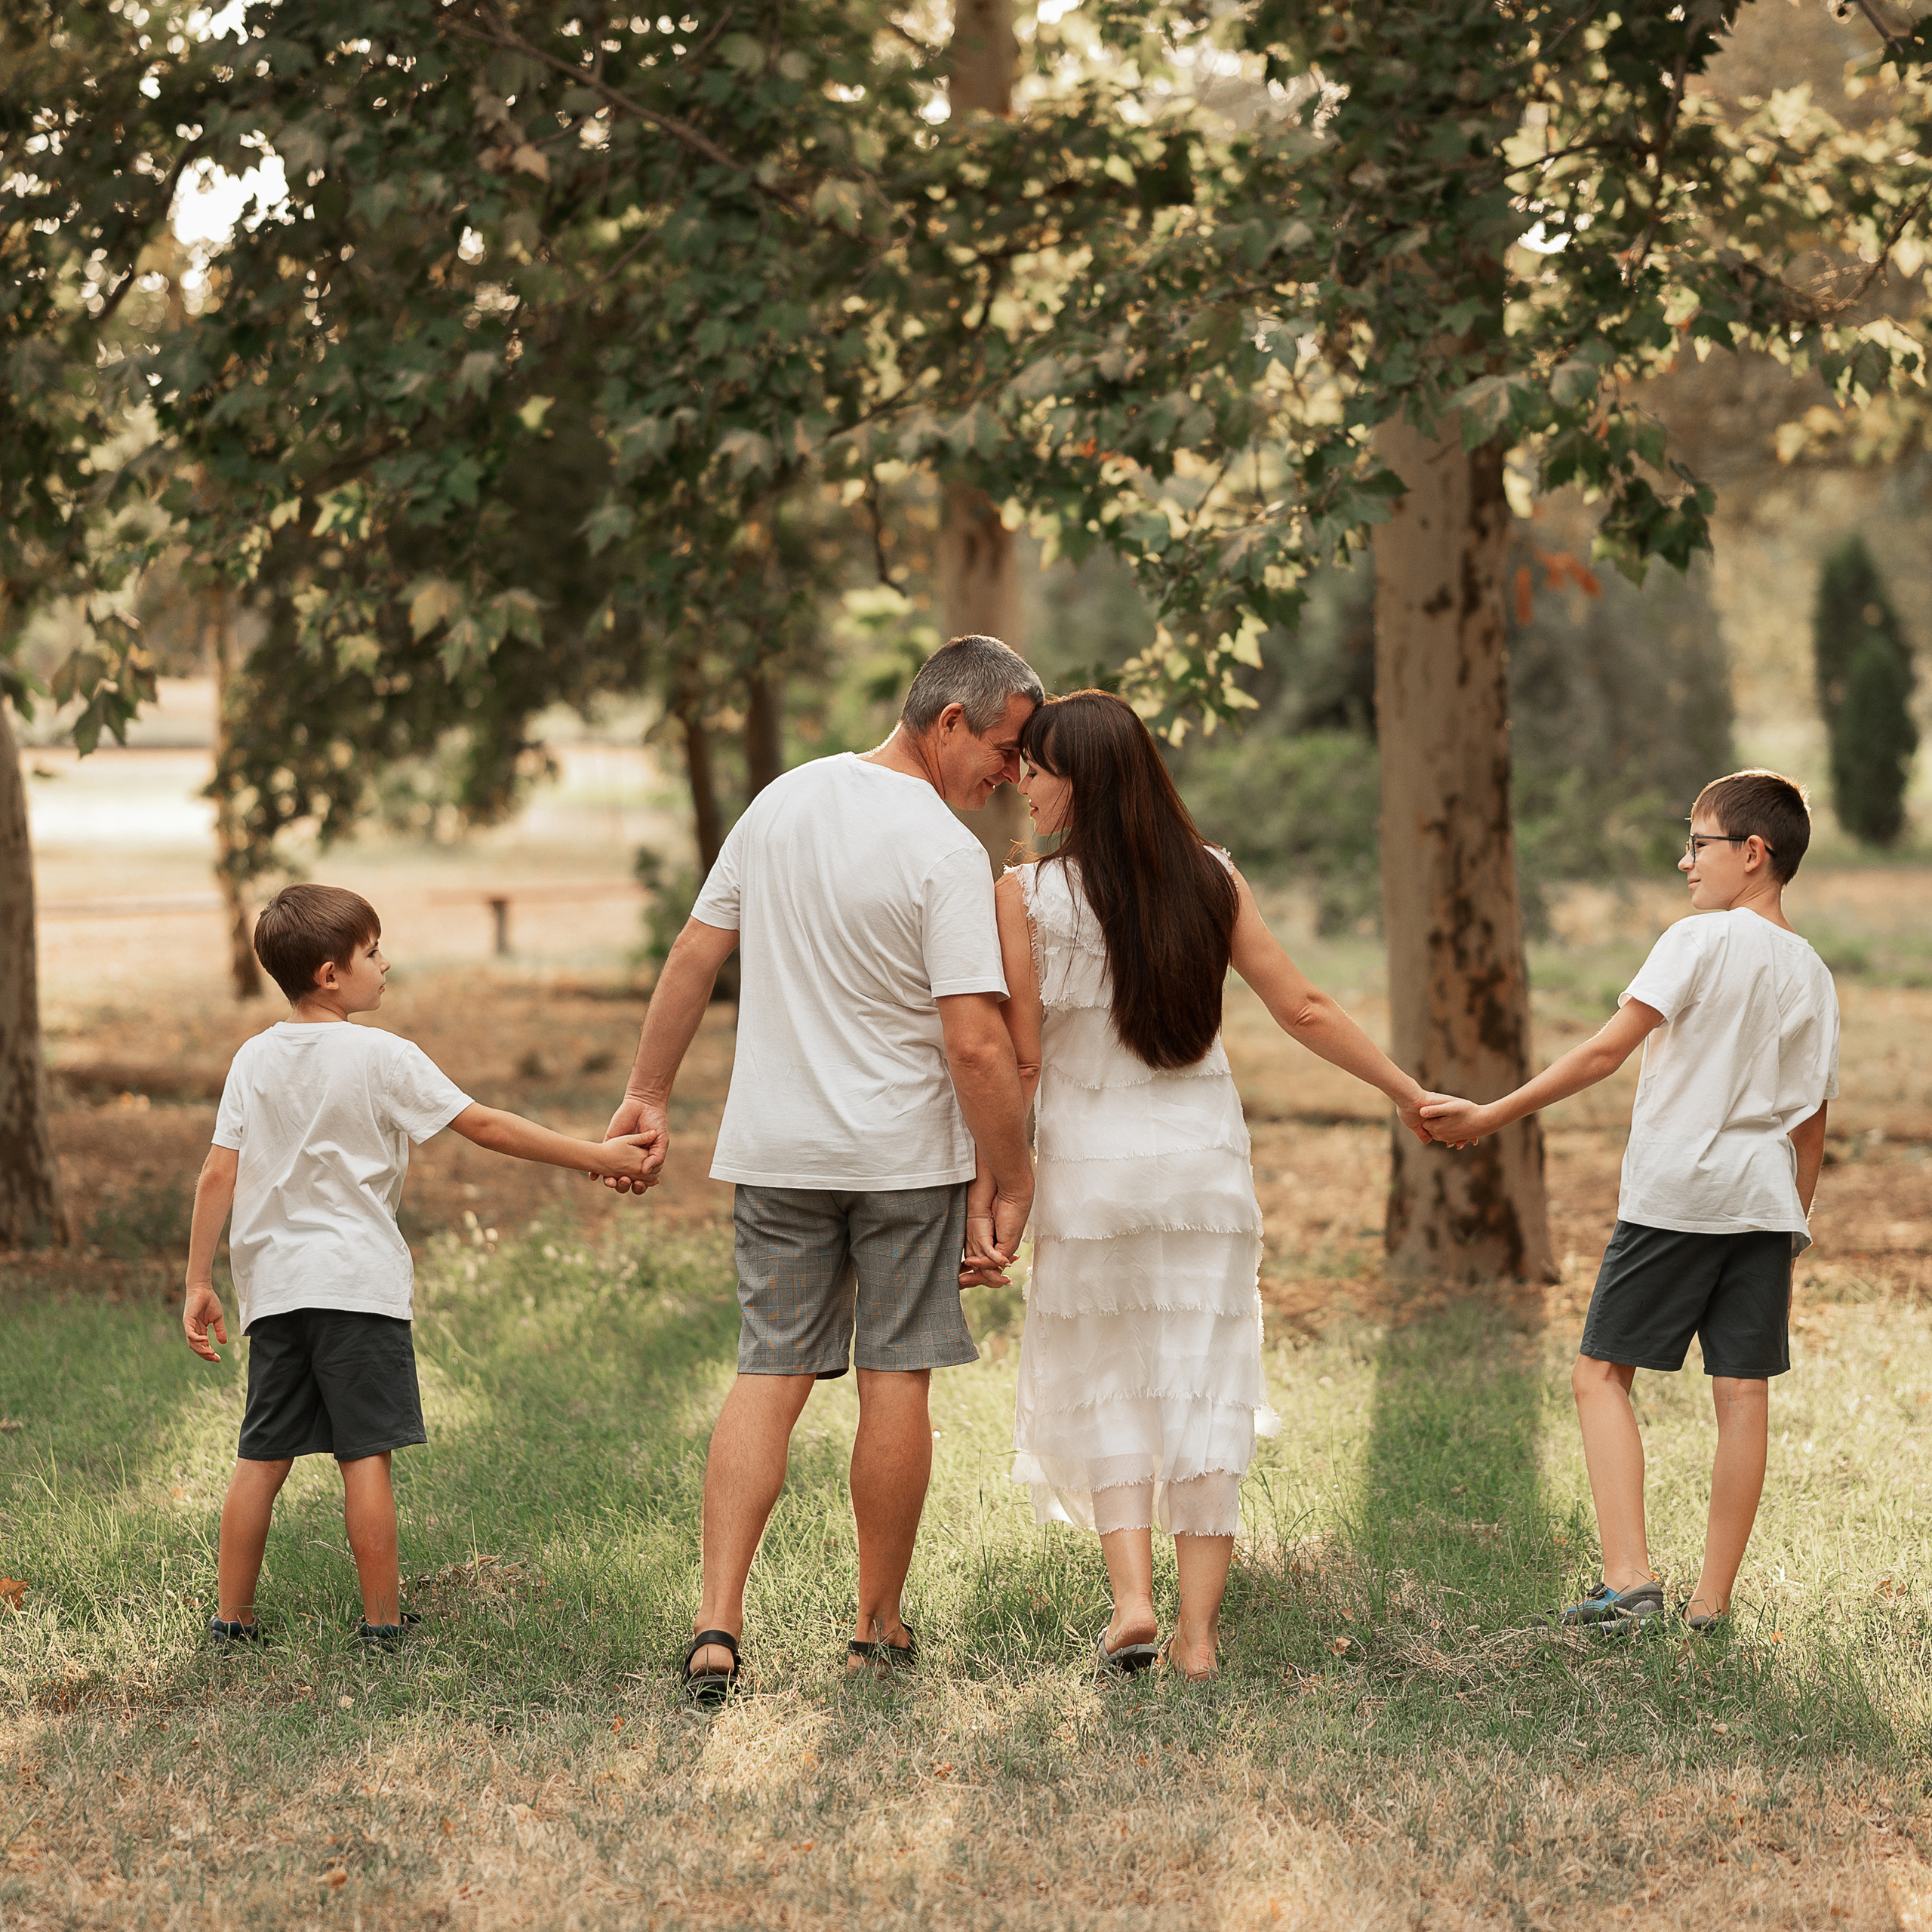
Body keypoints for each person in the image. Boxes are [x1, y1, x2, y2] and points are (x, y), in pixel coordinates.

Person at [961, 691, 1439, 1680]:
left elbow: (1019, 1062)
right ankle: (1198, 1639)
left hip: (1093, 1180)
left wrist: (997, 1187)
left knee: (1110, 1385)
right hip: (1202, 1176)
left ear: (1082, 780)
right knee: (1201, 1386)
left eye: (1040, 769)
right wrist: (1405, 1090)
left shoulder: (1025, 897)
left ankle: (1132, 1604)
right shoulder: (1212, 880)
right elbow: (1302, 1006)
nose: (1025, 783)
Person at [601, 635, 1043, 1706]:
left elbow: (693, 955)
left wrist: (649, 1095)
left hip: (781, 1151)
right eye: (1004, 747)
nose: (1013, 775)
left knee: (770, 1374)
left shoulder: (781, 803)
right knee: (896, 1378)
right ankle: (875, 1627)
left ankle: (717, 1624)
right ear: (948, 722)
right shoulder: (944, 852)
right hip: (904, 1160)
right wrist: (1012, 1176)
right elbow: (977, 1043)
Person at [182, 884, 657, 1650]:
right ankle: (380, 1625)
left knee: (260, 1456)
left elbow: (215, 1174)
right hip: (358, 1287)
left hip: (274, 1291)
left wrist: (199, 1282)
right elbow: (487, 1126)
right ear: (332, 974)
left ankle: (229, 1621)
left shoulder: (254, 1057)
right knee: (363, 1454)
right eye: (373, 952)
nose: (386, 962)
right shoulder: (384, 1056)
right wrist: (595, 1156)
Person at [1420, 770, 1838, 1633]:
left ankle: (1629, 1580)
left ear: (1752, 854)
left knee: (1599, 1375)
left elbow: (1604, 1053)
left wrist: (1491, 1113)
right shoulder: (1812, 972)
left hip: (1677, 1195)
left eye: (1699, 842)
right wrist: (1791, 1218)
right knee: (1742, 1393)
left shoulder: (1696, 940)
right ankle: (1710, 1604)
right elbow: (1811, 1121)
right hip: (1761, 1206)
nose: (1684, 861)